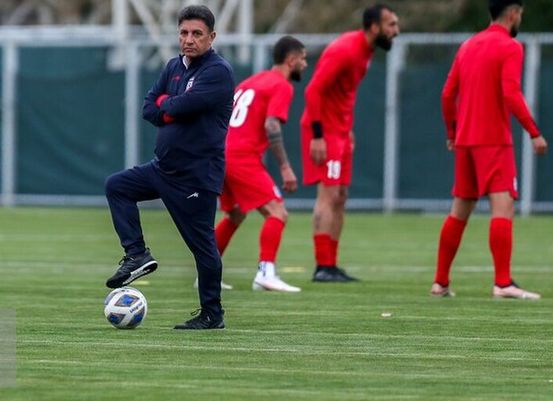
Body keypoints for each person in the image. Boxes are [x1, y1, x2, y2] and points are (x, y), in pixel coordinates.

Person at [104, 5, 234, 329]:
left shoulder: (218, 71)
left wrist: (168, 105)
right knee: (117, 186)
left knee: (203, 247)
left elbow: (183, 105)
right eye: (184, 33)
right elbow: (149, 107)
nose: (189, 39)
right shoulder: (174, 66)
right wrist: (168, 107)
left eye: (197, 34)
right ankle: (137, 254)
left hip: (196, 176)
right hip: (162, 169)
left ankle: (212, 314)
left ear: (211, 37)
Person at [430, 0, 548, 299]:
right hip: (494, 139)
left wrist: (452, 132)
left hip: (465, 140)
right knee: (503, 206)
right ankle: (503, 282)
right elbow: (511, 93)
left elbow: (447, 94)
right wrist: (534, 132)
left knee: (459, 210)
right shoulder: (510, 47)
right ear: (513, 13)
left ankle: (440, 282)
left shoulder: (468, 45)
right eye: (520, 14)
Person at [301, 4, 400, 282]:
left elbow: (344, 94)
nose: (396, 31)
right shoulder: (345, 49)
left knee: (341, 197)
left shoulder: (366, 51)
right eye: (391, 24)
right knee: (328, 195)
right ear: (374, 27)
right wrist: (318, 135)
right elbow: (313, 90)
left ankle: (331, 265)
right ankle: (322, 267)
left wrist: (348, 129)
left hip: (341, 131)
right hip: (324, 130)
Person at [215, 36, 308, 292]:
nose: (305, 64)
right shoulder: (281, 85)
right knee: (277, 212)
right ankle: (266, 273)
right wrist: (285, 167)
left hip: (220, 153)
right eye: (303, 58)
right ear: (291, 60)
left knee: (235, 214)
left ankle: (206, 273)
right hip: (241, 156)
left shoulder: (251, 81)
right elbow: (271, 124)